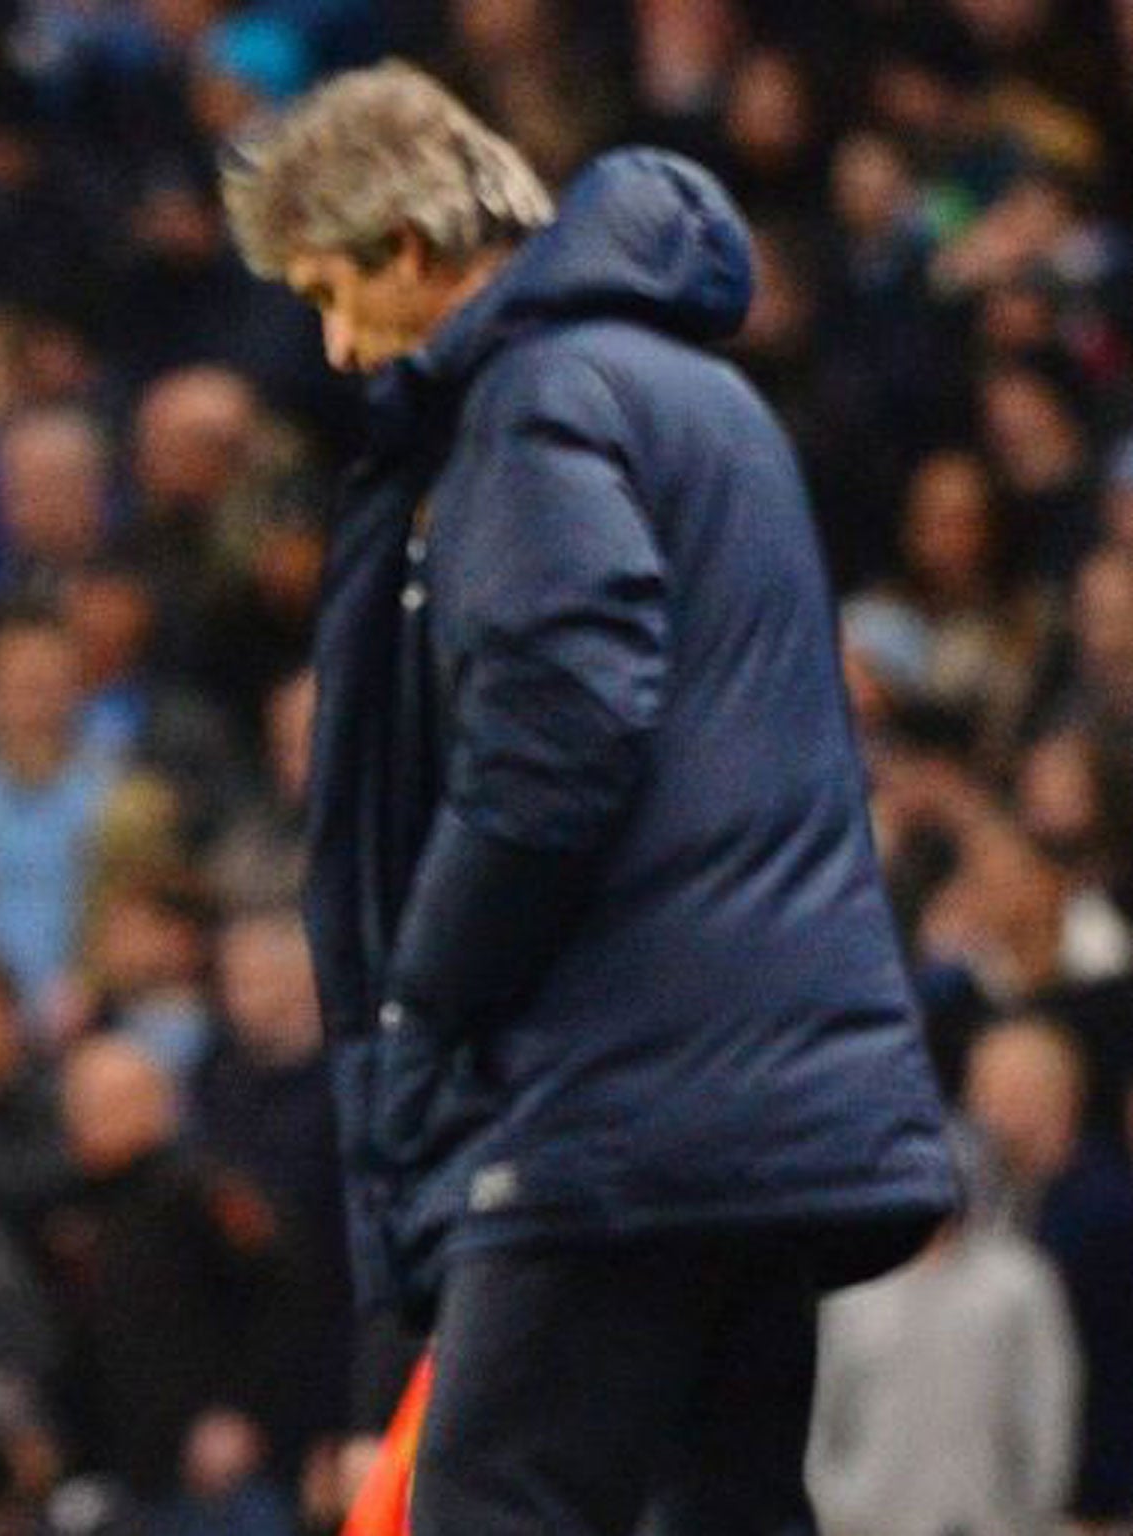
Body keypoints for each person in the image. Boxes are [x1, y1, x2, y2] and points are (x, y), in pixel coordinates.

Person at [221, 61, 955, 1535]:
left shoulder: (532, 397)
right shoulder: (704, 396)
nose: (339, 346)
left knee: (497, 1503)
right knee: (727, 1509)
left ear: (412, 254)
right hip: (758, 1095)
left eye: (330, 293)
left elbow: (557, 737)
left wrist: (427, 997)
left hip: (618, 1100)